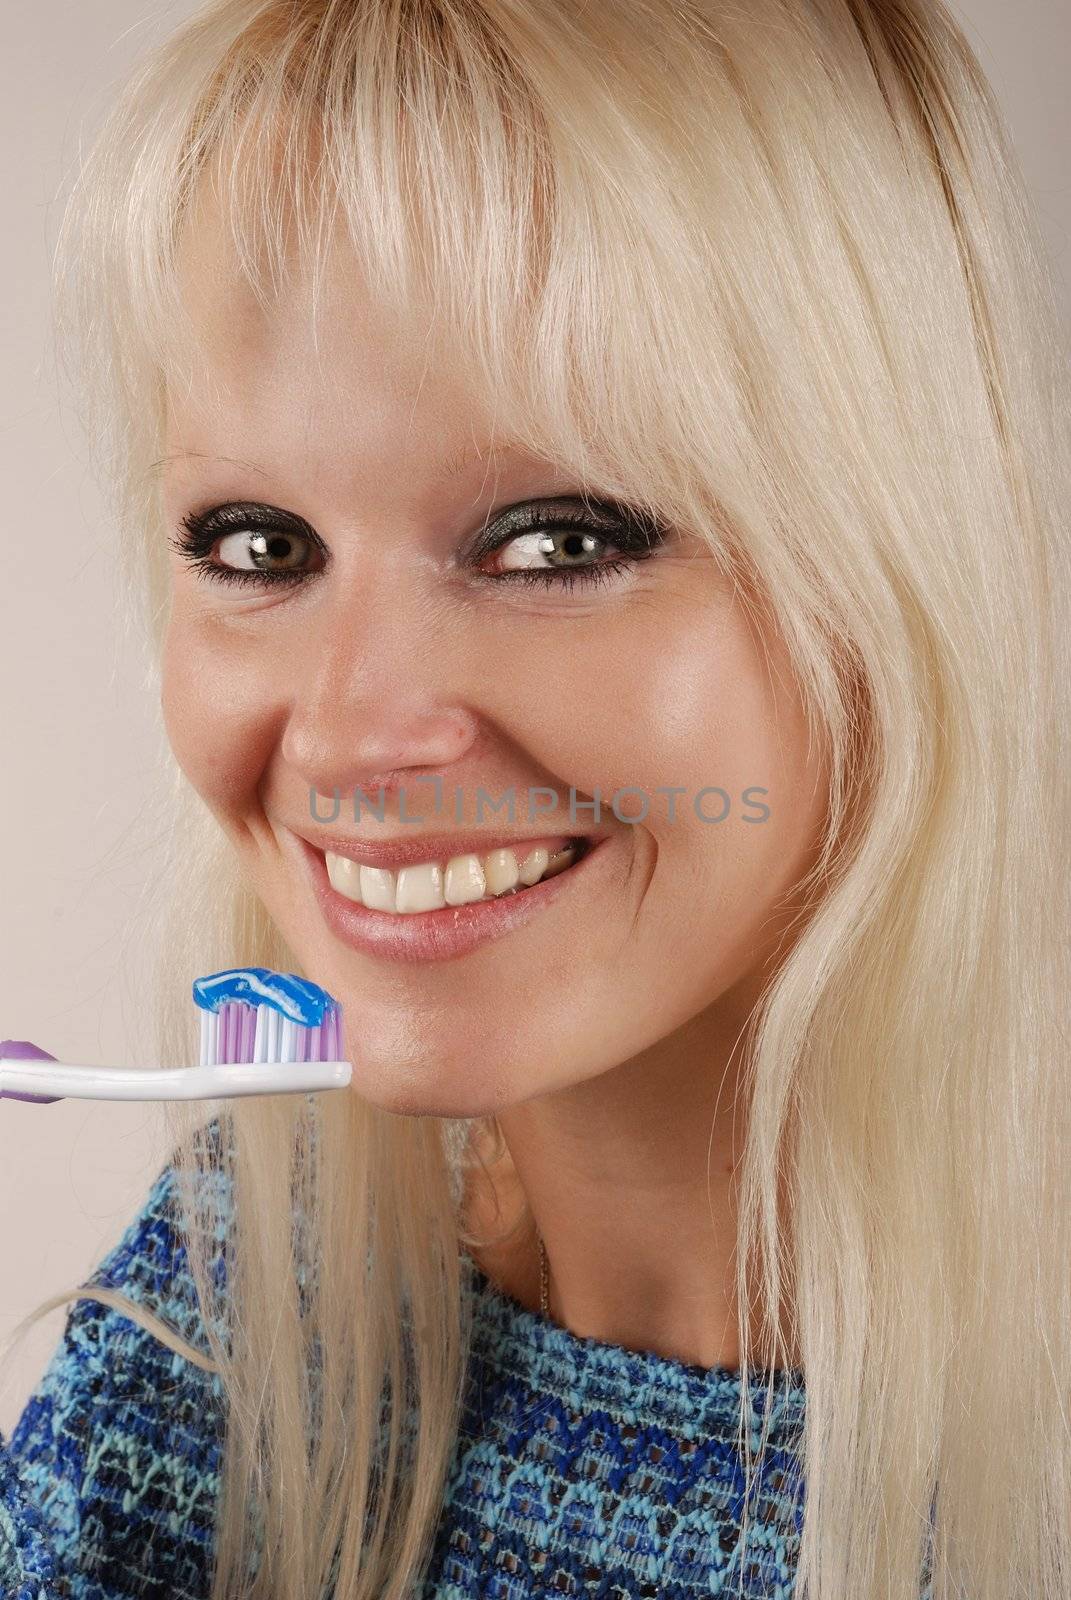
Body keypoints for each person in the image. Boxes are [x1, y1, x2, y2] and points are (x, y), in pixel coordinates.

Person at [2, 0, 1068, 1596]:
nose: (356, 735)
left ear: (897, 564)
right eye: (260, 546)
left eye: (558, 540)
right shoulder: (242, 1312)